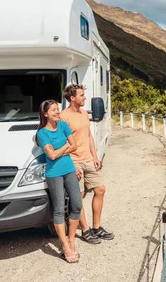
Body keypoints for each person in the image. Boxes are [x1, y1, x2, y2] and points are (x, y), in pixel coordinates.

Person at [61, 84, 114, 244]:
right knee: (80, 197)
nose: (85, 98)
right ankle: (85, 230)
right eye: (82, 95)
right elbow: (62, 143)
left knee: (100, 189)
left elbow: (89, 136)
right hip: (75, 162)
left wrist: (95, 156)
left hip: (88, 160)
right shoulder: (64, 117)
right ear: (72, 98)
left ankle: (97, 227)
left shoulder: (84, 113)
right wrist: (72, 164)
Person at [36, 99, 82, 263]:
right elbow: (52, 156)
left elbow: (74, 145)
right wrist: (64, 148)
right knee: (59, 209)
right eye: (53, 110)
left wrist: (58, 150)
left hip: (69, 169)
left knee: (76, 204)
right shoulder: (42, 133)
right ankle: (64, 245)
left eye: (57, 109)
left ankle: (71, 240)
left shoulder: (63, 125)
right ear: (45, 114)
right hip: (54, 173)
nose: (57, 112)